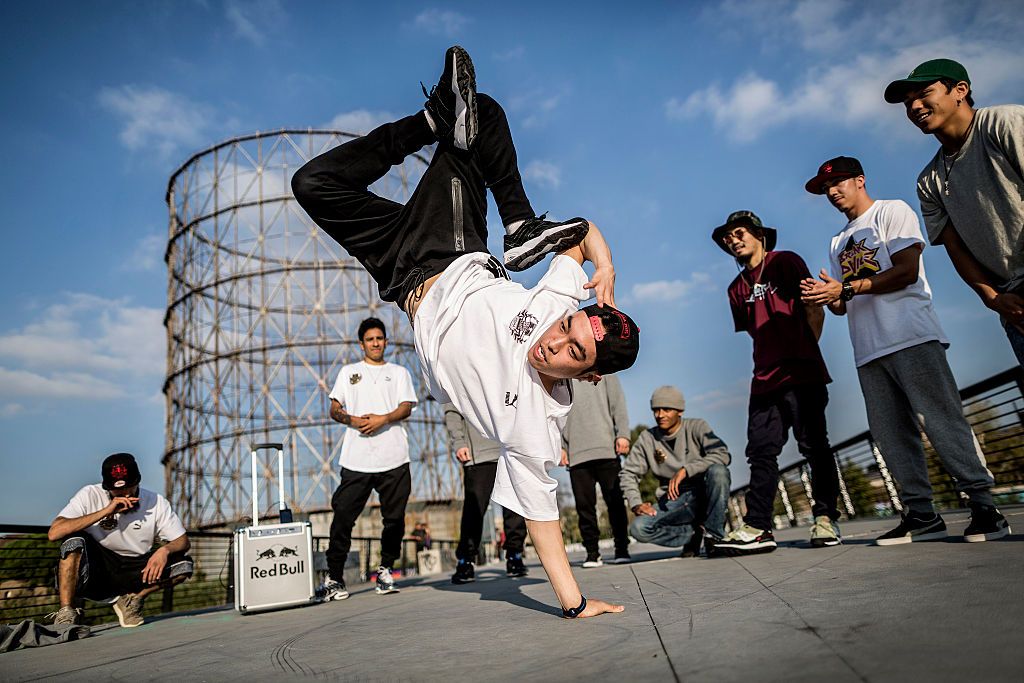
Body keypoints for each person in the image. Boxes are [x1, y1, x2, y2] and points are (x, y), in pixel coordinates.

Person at [292, 45, 640, 618]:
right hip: (452, 249)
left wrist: (574, 603)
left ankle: (435, 120)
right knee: (481, 115)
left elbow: (543, 517)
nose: (552, 341)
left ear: (589, 374)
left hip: (398, 274)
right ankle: (518, 218)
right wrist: (603, 266)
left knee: (314, 185)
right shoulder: (555, 302)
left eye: (571, 352)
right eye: (565, 328)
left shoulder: (536, 422)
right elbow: (582, 236)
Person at [800, 156, 1011, 543]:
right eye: (825, 188)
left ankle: (985, 507)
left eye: (839, 182)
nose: (832, 192)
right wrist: (825, 297)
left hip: (912, 336)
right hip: (868, 349)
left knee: (942, 421)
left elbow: (906, 271)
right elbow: (843, 304)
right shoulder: (837, 241)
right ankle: (921, 515)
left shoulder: (892, 211)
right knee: (891, 435)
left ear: (860, 180)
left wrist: (844, 288)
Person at [710, 210, 841, 555]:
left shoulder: (786, 262)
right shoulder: (736, 289)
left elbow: (815, 308)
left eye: (739, 233)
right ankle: (758, 526)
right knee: (760, 452)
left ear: (759, 235)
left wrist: (804, 350)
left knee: (814, 446)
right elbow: (755, 332)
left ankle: (826, 518)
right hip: (764, 380)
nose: (732, 240)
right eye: (728, 237)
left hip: (801, 373)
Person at [884, 59, 1024, 367]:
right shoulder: (928, 180)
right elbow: (955, 247)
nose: (915, 107)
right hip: (1013, 304)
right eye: (908, 103)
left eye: (924, 93)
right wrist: (993, 299)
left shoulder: (1005, 122)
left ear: (960, 90)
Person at [321, 317, 418, 600]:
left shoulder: (399, 373)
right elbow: (334, 407)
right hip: (357, 459)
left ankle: (386, 569)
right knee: (342, 518)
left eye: (380, 338)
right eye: (370, 339)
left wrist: (382, 419)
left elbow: (406, 407)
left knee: (394, 519)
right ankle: (334, 578)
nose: (376, 343)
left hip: (394, 457)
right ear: (361, 343)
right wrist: (352, 419)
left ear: (385, 341)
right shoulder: (348, 372)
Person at [46, 453, 192, 628]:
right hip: (99, 566)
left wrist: (164, 550)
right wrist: (106, 511)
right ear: (106, 486)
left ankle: (132, 600)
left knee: (184, 565)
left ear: (137, 481)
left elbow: (183, 541)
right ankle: (66, 611)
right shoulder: (89, 494)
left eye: (129, 487)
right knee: (73, 540)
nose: (124, 494)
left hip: (136, 567)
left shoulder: (156, 502)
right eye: (116, 490)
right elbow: (54, 533)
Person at [620, 386, 731, 557]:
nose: (660, 415)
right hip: (672, 500)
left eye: (667, 409)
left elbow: (722, 454)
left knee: (719, 471)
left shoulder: (697, 426)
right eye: (656, 410)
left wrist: (686, 470)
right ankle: (693, 535)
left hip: (703, 494)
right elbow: (628, 473)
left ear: (680, 410)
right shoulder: (647, 438)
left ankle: (714, 536)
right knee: (638, 528)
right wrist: (636, 503)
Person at [444, 403, 528, 583]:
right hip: (478, 453)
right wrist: (459, 441)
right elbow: (452, 409)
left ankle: (514, 554)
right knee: (474, 510)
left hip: (509, 448)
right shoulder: (459, 374)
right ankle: (466, 560)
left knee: (514, 506)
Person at [560, 375, 632, 567]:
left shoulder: (606, 371)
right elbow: (555, 412)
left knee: (615, 502)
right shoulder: (561, 374)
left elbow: (618, 403)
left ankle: (622, 549)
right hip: (576, 452)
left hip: (606, 448)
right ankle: (592, 553)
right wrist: (560, 446)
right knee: (584, 507)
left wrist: (623, 434)